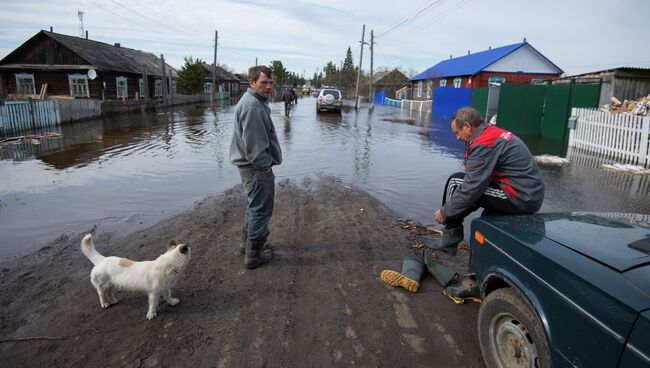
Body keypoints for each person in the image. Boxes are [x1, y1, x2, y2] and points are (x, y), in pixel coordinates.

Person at [381, 107, 545, 299]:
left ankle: (449, 238)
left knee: (456, 182)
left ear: (467, 126)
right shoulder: (491, 134)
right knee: (483, 225)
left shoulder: (484, 142)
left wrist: (446, 212)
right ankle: (477, 281)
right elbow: (477, 184)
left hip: (520, 196)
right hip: (526, 193)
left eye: (457, 132)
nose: (457, 138)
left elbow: (471, 189)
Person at [229, 66, 282, 269]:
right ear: (252, 83)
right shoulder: (253, 106)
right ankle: (254, 255)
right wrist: (265, 168)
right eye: (263, 83)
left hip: (250, 167)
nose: (268, 86)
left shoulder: (254, 102)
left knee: (254, 206)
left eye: (270, 83)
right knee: (261, 209)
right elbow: (254, 148)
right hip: (256, 169)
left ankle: (246, 245)